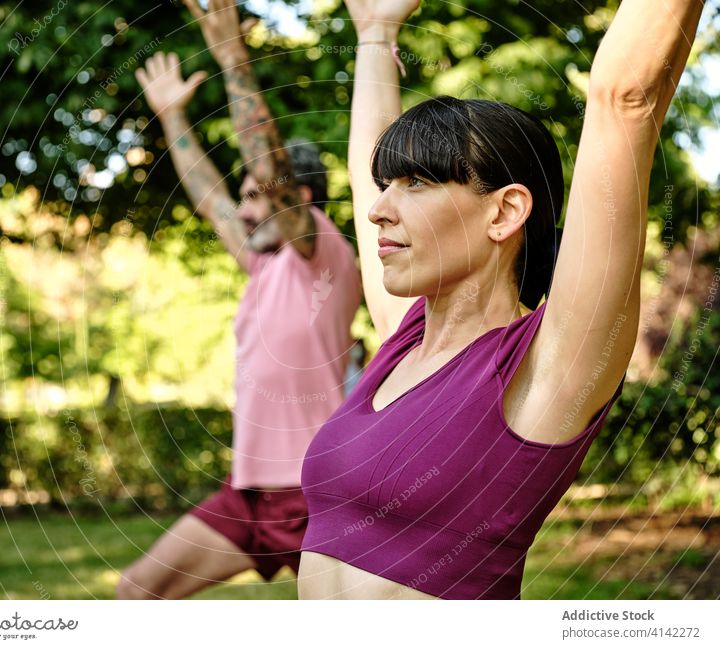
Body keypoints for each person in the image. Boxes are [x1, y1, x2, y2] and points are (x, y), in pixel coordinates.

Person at [298, 0, 705, 599]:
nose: (380, 208)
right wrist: (376, 30)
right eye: (388, 184)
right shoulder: (404, 340)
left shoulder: (548, 368)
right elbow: (365, 176)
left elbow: (627, 97)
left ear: (505, 211)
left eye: (417, 182)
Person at [116, 1, 362, 599]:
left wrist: (232, 59)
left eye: (257, 196)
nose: (244, 207)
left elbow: (267, 170)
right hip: (248, 492)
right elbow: (210, 197)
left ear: (297, 197)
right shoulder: (263, 260)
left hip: (314, 497)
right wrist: (173, 117)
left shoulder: (320, 252)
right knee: (136, 591)